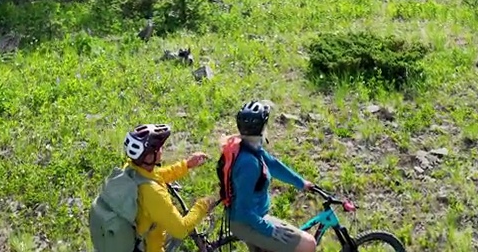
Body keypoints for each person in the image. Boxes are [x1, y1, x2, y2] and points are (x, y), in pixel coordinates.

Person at [89, 123, 218, 252]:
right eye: (159, 148)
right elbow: (181, 230)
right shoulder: (153, 193)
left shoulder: (131, 168)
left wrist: (186, 165)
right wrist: (203, 205)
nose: (162, 149)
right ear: (150, 157)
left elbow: (155, 176)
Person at [218, 100, 318, 252]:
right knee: (308, 244)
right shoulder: (249, 164)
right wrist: (269, 230)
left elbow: (273, 164)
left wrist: (300, 182)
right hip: (246, 222)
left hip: (254, 217)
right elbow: (243, 210)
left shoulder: (249, 148)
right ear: (263, 127)